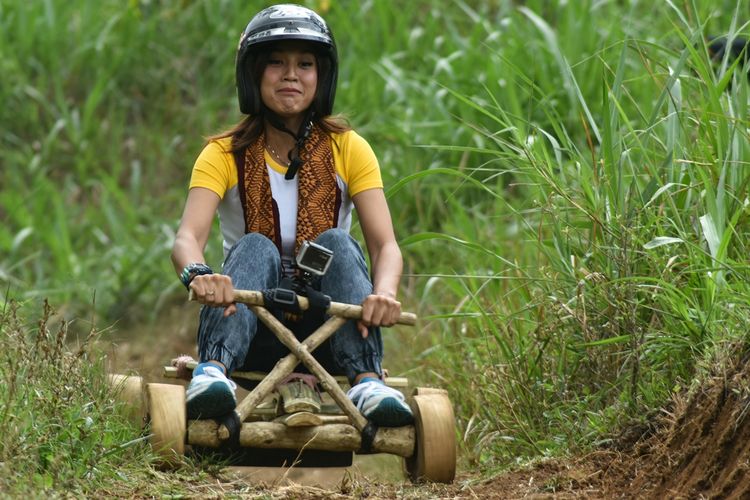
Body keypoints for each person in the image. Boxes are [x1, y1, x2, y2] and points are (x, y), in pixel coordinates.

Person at [171, 4, 413, 427]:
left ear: (321, 77)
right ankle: (213, 371)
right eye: (276, 63)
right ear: (253, 74)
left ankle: (367, 379)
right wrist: (199, 273)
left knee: (337, 243)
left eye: (305, 63)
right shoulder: (222, 153)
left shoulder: (349, 148)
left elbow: (384, 245)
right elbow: (187, 237)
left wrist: (385, 295)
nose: (290, 75)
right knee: (255, 246)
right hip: (250, 326)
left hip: (329, 328)